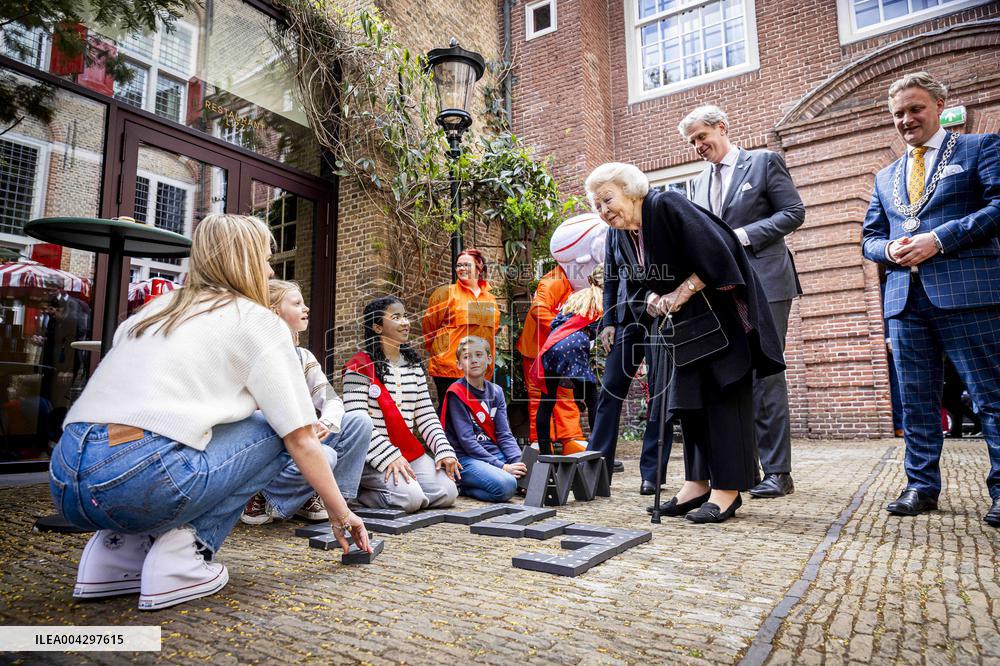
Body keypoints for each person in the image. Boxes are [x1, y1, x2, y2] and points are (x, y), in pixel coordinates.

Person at [48, 213, 370, 611]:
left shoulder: (154, 310)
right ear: (247, 261)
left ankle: (117, 553)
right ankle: (186, 556)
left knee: (176, 439)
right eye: (266, 258)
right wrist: (342, 513)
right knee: (276, 426)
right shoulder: (256, 320)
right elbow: (300, 437)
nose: (270, 269)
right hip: (139, 479)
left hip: (65, 478)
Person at [586, 162, 785, 523]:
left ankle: (728, 491)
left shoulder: (667, 205)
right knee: (690, 404)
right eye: (596, 205)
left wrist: (683, 290)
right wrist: (648, 298)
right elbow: (637, 283)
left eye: (607, 199)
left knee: (723, 401)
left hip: (720, 323)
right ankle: (697, 483)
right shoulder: (623, 234)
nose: (603, 210)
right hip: (683, 331)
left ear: (631, 190)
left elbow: (720, 251)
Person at [860, 72, 1000, 527]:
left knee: (990, 396)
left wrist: (939, 240)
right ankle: (920, 485)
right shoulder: (885, 175)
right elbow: (870, 237)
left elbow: (998, 206)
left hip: (968, 294)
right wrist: (888, 251)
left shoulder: (979, 149)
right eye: (898, 113)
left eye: (915, 108)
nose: (907, 119)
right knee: (917, 401)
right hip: (904, 301)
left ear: (940, 104)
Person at [679, 105, 805, 499]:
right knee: (733, 376)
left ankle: (778, 471)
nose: (699, 146)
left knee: (766, 375)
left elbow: (793, 213)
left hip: (766, 283)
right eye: (692, 142)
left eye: (702, 136)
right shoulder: (697, 184)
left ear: (722, 127)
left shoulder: (764, 163)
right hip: (722, 291)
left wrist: (741, 236)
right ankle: (741, 470)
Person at [241, 280, 372, 525]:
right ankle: (261, 494)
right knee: (327, 455)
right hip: (274, 450)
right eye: (297, 303)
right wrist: (304, 430)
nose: (306, 309)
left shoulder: (304, 357)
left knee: (360, 422)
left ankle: (335, 503)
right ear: (275, 311)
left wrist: (327, 422)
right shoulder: (256, 357)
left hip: (305, 440)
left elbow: (331, 399)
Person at [345, 296, 461, 513]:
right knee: (410, 499)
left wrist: (443, 450)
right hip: (372, 455)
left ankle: (403, 491)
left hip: (407, 451)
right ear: (377, 326)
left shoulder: (414, 366)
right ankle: (360, 493)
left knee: (448, 492)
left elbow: (426, 415)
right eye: (396, 317)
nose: (405, 322)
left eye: (405, 316)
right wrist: (389, 456)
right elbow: (357, 422)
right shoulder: (357, 367)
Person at [588, 212, 669, 494]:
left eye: (607, 200)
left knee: (659, 393)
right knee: (610, 390)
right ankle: (596, 471)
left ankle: (652, 473)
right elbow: (610, 276)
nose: (604, 208)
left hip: (659, 315)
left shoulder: (655, 218)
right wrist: (608, 321)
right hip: (625, 317)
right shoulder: (613, 231)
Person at [442, 336, 526, 502]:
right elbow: (467, 442)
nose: (473, 360)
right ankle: (463, 487)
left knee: (532, 471)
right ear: (459, 364)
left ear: (489, 359)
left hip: (494, 455)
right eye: (466, 357)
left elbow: (504, 434)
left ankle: (504, 476)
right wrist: (503, 467)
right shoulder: (456, 393)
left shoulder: (496, 392)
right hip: (466, 458)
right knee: (506, 485)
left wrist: (519, 462)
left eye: (478, 355)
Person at [531, 266, 603, 456]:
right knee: (593, 399)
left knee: (547, 400)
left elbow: (556, 322)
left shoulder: (577, 296)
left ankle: (545, 453)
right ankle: (597, 451)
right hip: (574, 346)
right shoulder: (603, 300)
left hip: (552, 345)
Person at [516, 263, 585, 451]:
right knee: (539, 394)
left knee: (565, 392)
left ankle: (570, 437)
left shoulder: (579, 283)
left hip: (561, 348)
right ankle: (541, 441)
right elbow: (538, 310)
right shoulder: (553, 281)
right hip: (537, 346)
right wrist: (564, 331)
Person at [422, 249, 501, 399]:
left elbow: (491, 332)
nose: (461, 269)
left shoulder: (490, 299)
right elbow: (429, 329)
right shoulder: (446, 293)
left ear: (479, 267)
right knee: (451, 416)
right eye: (458, 266)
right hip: (450, 369)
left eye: (466, 265)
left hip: (480, 370)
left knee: (477, 417)